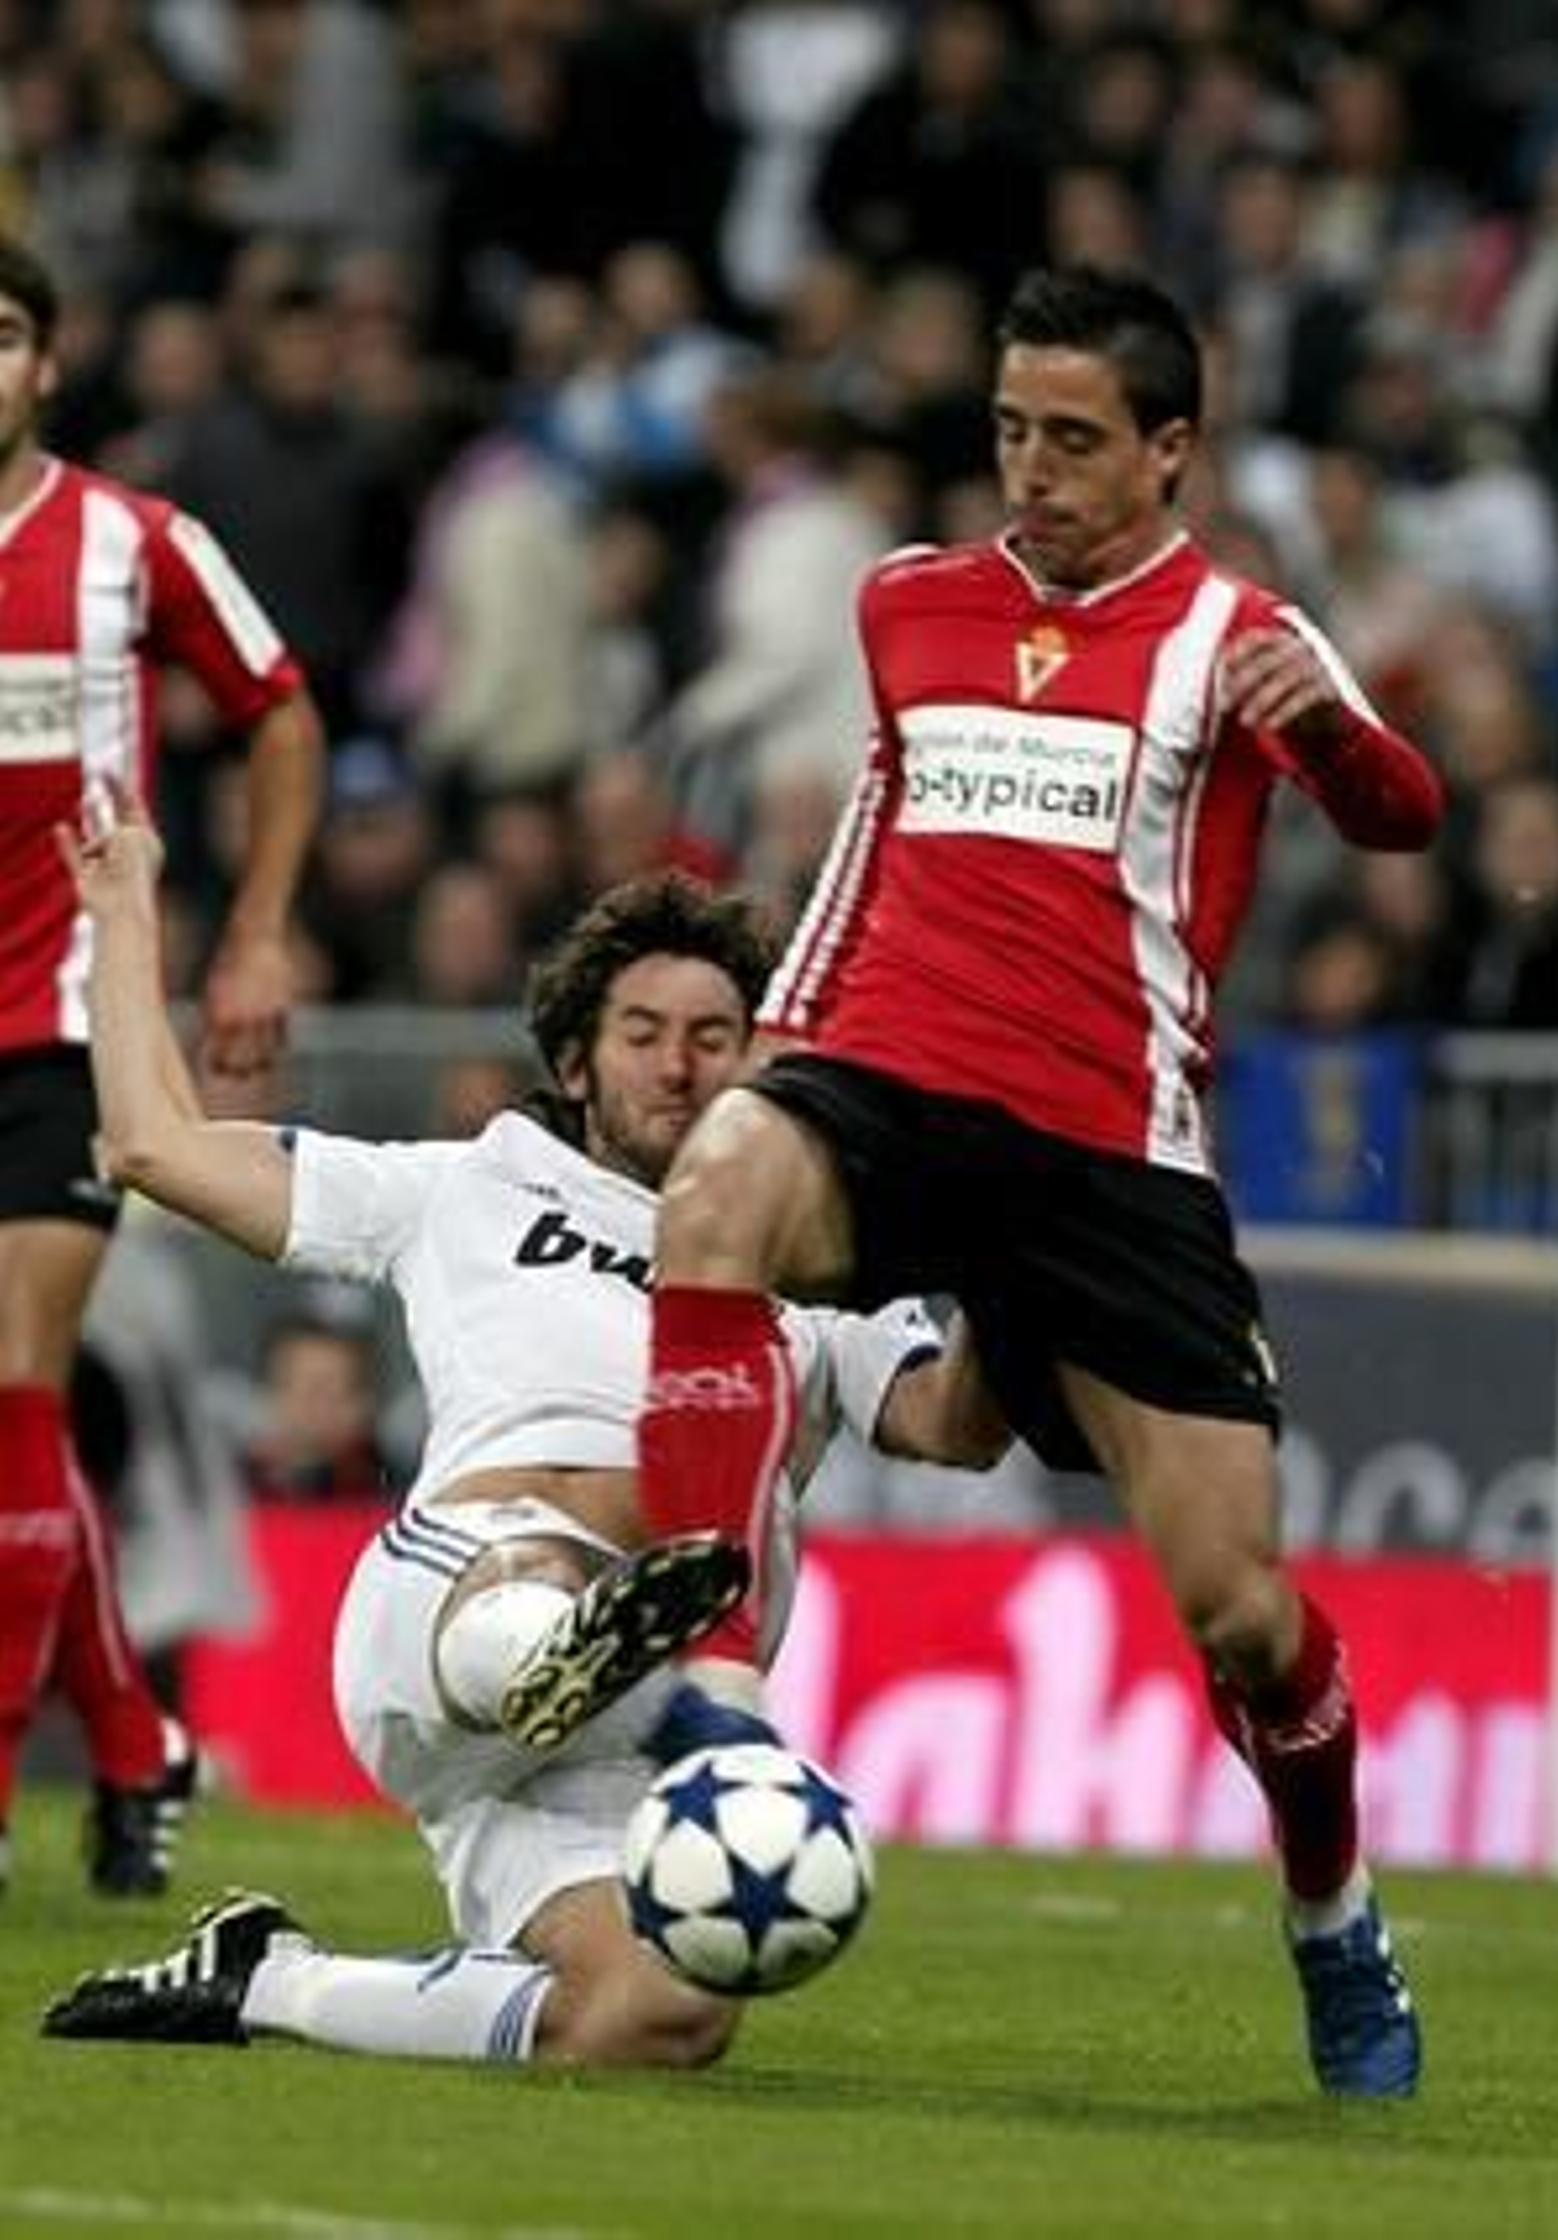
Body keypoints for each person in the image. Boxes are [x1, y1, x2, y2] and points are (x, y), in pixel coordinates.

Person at [612, 263, 1445, 2099]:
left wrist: (1321, 721)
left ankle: (1334, 1916)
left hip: (1106, 1160)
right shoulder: (910, 604)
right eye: (1011, 431)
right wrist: (775, 1052)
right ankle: (717, 1687)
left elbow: (1407, 819)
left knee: (1243, 1615)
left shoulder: (1233, 631)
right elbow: (866, 845)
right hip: (892, 1081)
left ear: (1171, 452)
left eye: (1076, 440)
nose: (1035, 472)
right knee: (715, 1199)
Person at [42, 822, 1005, 2069]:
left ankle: (267, 1981)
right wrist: (121, 914)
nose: (680, 1067)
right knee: (541, 1572)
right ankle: (564, 1649)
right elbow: (153, 1147)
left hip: (566, 1764)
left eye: (715, 1039)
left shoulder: (820, 1270)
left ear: (763, 1066)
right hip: (453, 1599)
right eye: (643, 1035)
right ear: (576, 1061)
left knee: (660, 2019)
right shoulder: (465, 1186)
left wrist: (1010, 1250)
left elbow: (955, 1424)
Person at [0, 235, 325, 1898]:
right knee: (15, 1432)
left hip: (68, 1024)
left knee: (15, 1386)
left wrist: (258, 933)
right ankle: (136, 1740)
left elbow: (278, 708)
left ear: (46, 364)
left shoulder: (135, 547)